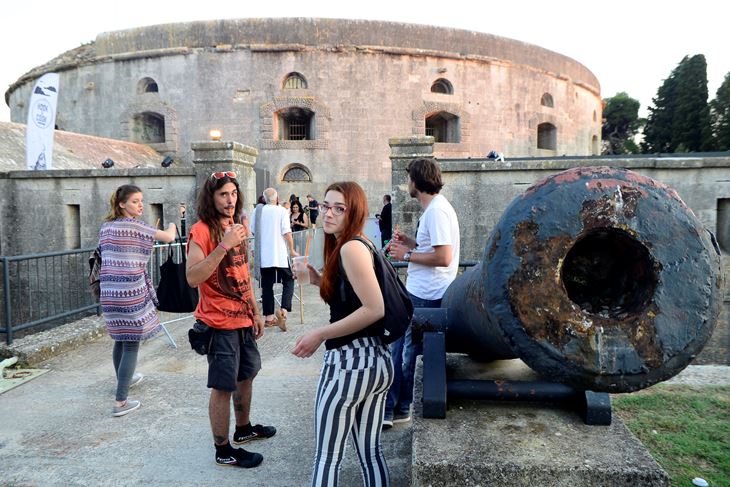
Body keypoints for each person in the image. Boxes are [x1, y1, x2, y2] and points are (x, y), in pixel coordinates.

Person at [292, 181, 393, 487]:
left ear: (355, 212)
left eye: (339, 208)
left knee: (327, 457)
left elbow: (374, 308)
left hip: (350, 363)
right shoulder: (358, 244)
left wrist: (319, 333)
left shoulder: (350, 247)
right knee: (370, 453)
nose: (329, 213)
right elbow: (351, 299)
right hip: (376, 361)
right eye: (325, 206)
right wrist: (318, 280)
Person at [186, 171, 274, 469]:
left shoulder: (236, 227)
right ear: (211, 197)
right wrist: (222, 245)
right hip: (218, 323)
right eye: (223, 194)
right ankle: (223, 450)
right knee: (223, 386)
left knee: (246, 376)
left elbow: (242, 274)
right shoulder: (201, 231)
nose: (230, 199)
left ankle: (244, 429)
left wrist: (256, 311)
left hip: (243, 319)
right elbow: (192, 277)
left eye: (234, 193)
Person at [384, 158, 460, 429]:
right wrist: (412, 243)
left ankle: (398, 408)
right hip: (422, 291)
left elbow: (443, 257)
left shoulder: (437, 212)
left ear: (416, 181)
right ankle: (395, 406)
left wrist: (407, 254)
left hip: (426, 293)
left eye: (409, 179)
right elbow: (434, 248)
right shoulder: (436, 210)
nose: (407, 184)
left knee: (406, 352)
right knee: (402, 349)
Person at [98, 184, 176, 417]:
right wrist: (172, 223)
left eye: (142, 200)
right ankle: (120, 401)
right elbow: (170, 237)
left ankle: (126, 378)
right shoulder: (139, 227)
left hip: (109, 291)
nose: (140, 205)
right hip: (130, 292)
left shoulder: (106, 227)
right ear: (122, 204)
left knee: (119, 338)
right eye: (135, 201)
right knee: (131, 342)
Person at [258, 187, 298, 331]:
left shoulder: (258, 211)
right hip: (280, 254)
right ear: (277, 198)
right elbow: (286, 232)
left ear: (264, 198)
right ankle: (283, 311)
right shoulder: (281, 211)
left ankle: (269, 318)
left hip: (264, 255)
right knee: (289, 280)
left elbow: (252, 230)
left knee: (267, 286)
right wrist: (292, 249)